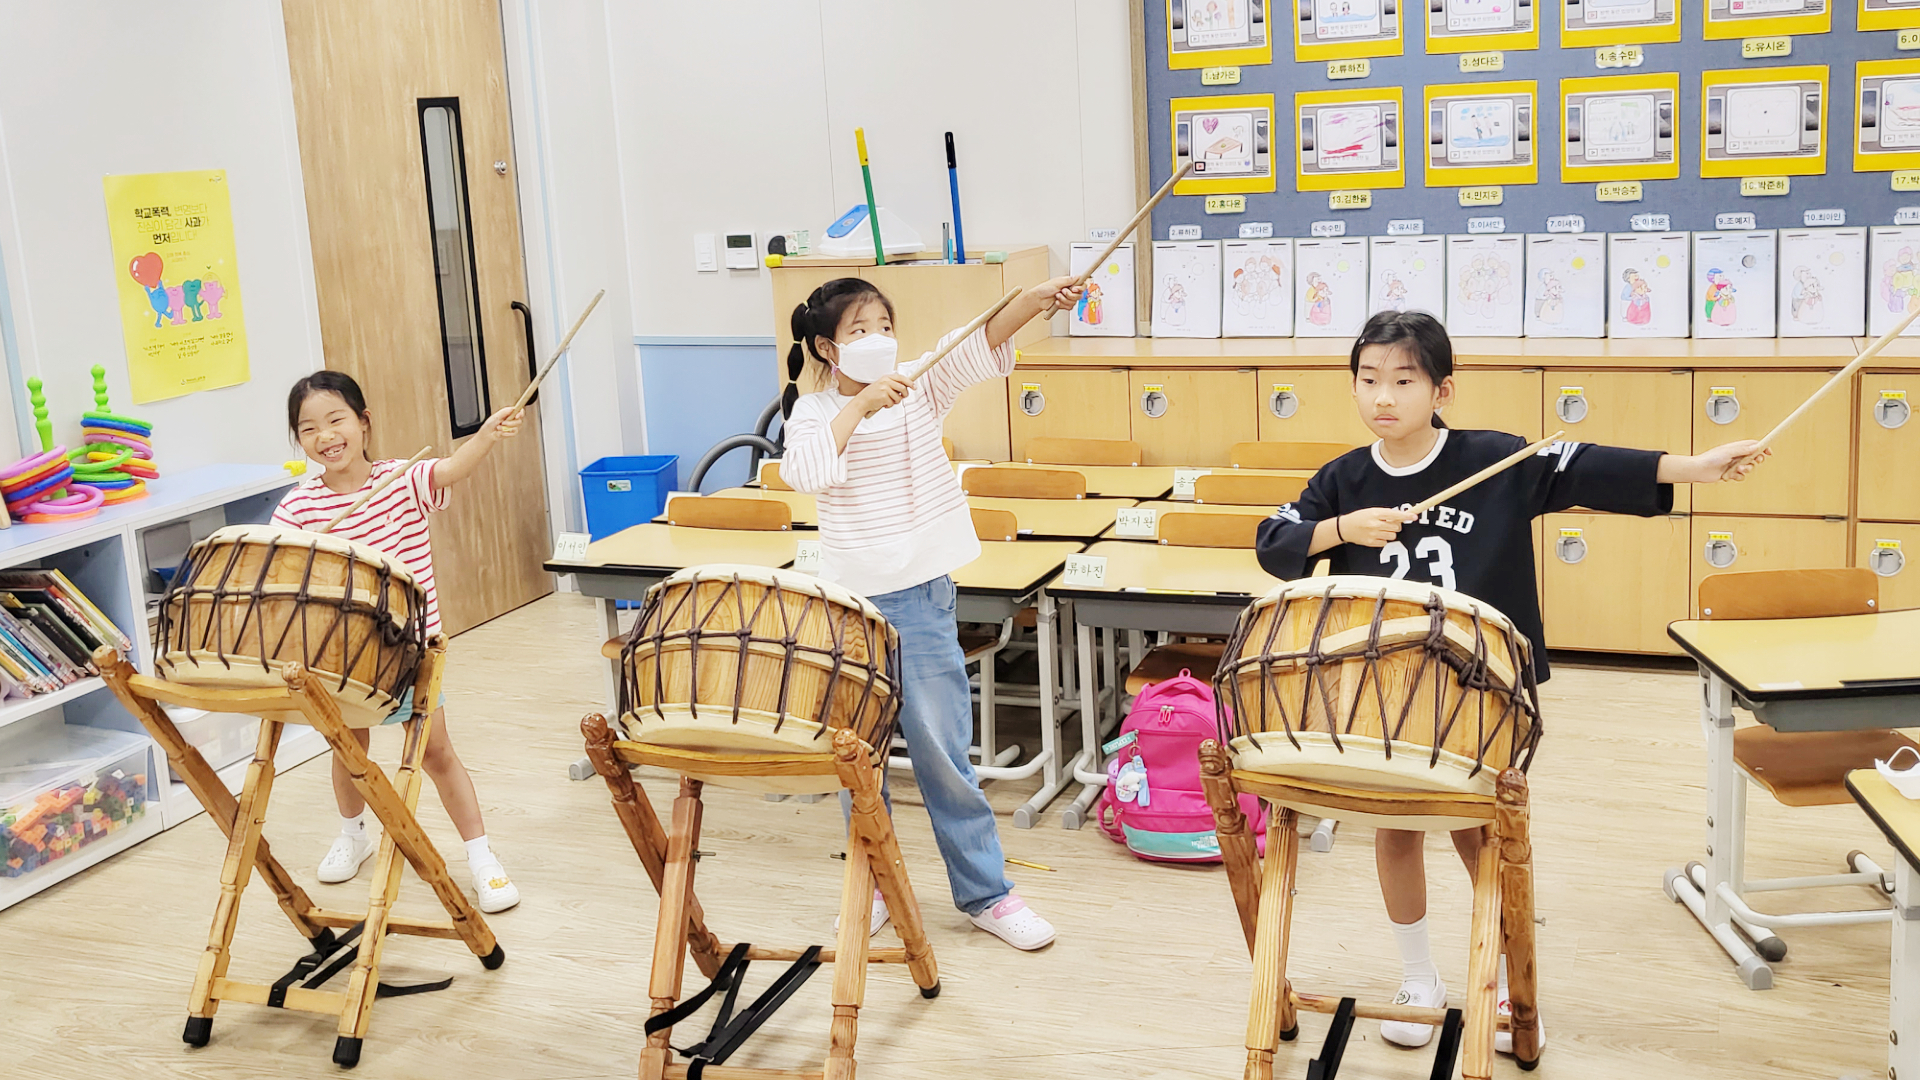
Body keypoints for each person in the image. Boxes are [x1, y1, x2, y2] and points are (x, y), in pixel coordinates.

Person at [1253, 310, 1768, 1054]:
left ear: (1442, 390)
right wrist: (1342, 530)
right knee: (1395, 830)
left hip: (1478, 690)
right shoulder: (1342, 480)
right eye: (1368, 380)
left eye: (1404, 380)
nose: (1383, 397)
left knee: (1479, 831)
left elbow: (1587, 465)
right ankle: (1418, 978)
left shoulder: (1494, 459)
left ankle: (1501, 983)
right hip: (1385, 694)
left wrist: (1697, 467)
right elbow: (1273, 542)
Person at [779, 274, 1083, 951]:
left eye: (885, 326)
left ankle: (987, 894)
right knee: (858, 760)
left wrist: (1034, 299)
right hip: (850, 608)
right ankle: (874, 889)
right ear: (828, 347)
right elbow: (805, 472)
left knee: (944, 756)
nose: (878, 339)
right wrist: (860, 407)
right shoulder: (813, 411)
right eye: (860, 330)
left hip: (919, 597)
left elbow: (977, 338)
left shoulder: (919, 383)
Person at [273, 370, 523, 914]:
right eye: (308, 428)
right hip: (340, 655)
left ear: (363, 422)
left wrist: (486, 435)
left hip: (412, 647)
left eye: (336, 419)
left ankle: (481, 857)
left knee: (436, 751)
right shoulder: (297, 508)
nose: (325, 435)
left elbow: (451, 468)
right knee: (349, 748)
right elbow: (281, 570)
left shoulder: (402, 479)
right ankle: (353, 835)